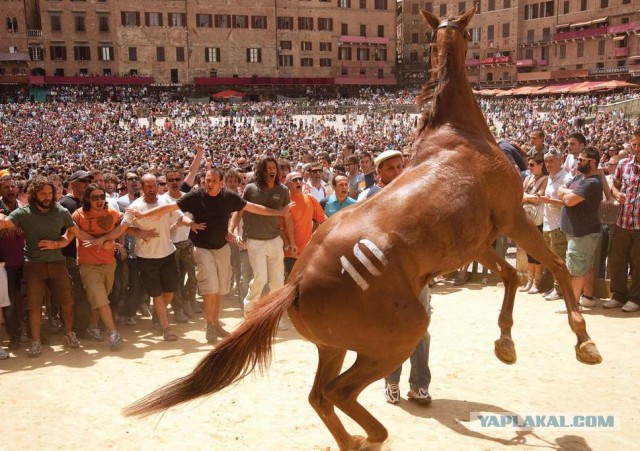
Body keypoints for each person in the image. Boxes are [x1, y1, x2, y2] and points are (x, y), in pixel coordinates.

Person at [133, 167, 292, 342]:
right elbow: (168, 207)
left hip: (222, 247)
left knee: (222, 289)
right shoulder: (196, 196)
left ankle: (215, 323)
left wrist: (278, 213)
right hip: (202, 247)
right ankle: (209, 325)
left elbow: (253, 208)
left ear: (221, 183)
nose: (209, 184)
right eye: (207, 180)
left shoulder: (229, 197)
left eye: (213, 181)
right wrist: (143, 214)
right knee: (211, 287)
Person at [359, 150, 431, 405]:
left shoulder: (417, 194)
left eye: (401, 166)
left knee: (421, 329)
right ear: (378, 173)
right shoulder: (368, 197)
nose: (398, 172)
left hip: (417, 274)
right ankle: (391, 382)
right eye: (391, 168)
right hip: (386, 278)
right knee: (392, 331)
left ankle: (420, 385)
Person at [0, 176, 91, 357]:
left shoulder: (61, 211)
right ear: (34, 194)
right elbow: (5, 224)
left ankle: (69, 333)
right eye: (43, 193)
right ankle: (36, 341)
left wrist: (60, 244)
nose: (47, 196)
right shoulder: (23, 213)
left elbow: (74, 232)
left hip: (58, 263)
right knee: (33, 306)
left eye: (50, 193)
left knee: (67, 301)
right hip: (33, 265)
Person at [87, 174, 179, 341]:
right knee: (157, 294)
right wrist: (105, 238)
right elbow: (122, 228)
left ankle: (159, 316)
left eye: (154, 185)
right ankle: (166, 328)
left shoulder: (165, 202)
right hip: (147, 257)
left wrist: (189, 222)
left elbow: (179, 216)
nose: (152, 189)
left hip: (168, 253)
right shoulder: (135, 207)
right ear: (142, 188)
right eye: (148, 186)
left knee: (170, 291)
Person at [230, 157, 295, 316]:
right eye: (268, 168)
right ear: (261, 170)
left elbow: (287, 217)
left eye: (274, 168)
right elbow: (240, 210)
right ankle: (249, 310)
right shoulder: (251, 189)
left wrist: (292, 241)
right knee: (260, 278)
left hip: (274, 240)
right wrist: (232, 230)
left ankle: (275, 315)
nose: (271, 171)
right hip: (255, 241)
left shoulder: (283, 191)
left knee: (278, 281)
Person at [71, 184, 123, 350]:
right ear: (87, 199)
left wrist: (115, 243)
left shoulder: (113, 213)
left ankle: (92, 327)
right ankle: (113, 333)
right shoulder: (78, 215)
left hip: (109, 263)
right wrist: (102, 242)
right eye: (95, 197)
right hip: (88, 264)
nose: (100, 200)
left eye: (102, 197)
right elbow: (76, 233)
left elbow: (124, 226)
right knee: (100, 298)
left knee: (100, 299)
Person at [556, 146, 604, 313]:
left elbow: (568, 200)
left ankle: (573, 304)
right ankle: (588, 298)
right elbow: (559, 190)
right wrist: (569, 192)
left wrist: (567, 193)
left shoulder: (592, 182)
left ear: (593, 162)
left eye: (581, 160)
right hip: (579, 231)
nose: (578, 162)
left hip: (582, 232)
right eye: (577, 159)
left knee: (577, 269)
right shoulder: (579, 178)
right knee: (585, 266)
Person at [604, 129, 640, 313]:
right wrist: (618, 194)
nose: (636, 148)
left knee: (638, 262)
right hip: (623, 221)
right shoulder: (624, 164)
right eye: (634, 144)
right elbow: (614, 187)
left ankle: (635, 298)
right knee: (617, 260)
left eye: (639, 144)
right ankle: (618, 295)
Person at [283, 171, 327, 276]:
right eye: (294, 180)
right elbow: (279, 228)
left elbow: (323, 219)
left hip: (307, 252)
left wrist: (317, 239)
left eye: (300, 179)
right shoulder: (284, 202)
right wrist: (287, 244)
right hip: (290, 253)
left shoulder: (310, 198)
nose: (298, 182)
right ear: (287, 184)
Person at [539, 148, 569, 301]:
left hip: (559, 225)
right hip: (548, 224)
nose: (548, 164)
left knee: (559, 259)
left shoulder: (566, 178)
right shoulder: (550, 177)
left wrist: (548, 200)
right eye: (546, 161)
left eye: (551, 160)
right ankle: (554, 288)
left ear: (560, 160)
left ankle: (560, 290)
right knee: (552, 259)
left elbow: (567, 203)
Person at [519, 153, 548, 294]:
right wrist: (527, 197)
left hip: (538, 219)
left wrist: (525, 197)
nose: (529, 167)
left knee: (537, 251)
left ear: (540, 165)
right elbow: (519, 194)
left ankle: (537, 282)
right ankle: (529, 281)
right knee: (529, 250)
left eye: (532, 165)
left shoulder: (545, 179)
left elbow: (538, 198)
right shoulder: (528, 178)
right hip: (527, 217)